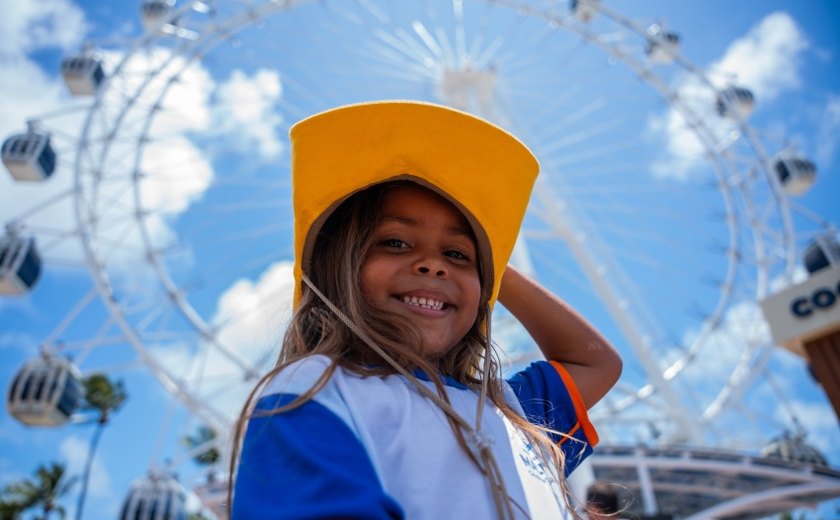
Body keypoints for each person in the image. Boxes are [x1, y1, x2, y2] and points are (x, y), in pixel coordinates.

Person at [229, 100, 622, 519]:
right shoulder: (317, 390)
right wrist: (465, 258)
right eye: (395, 242)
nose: (433, 265)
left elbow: (596, 363)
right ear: (336, 268)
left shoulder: (512, 409)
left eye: (455, 254)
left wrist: (493, 259)